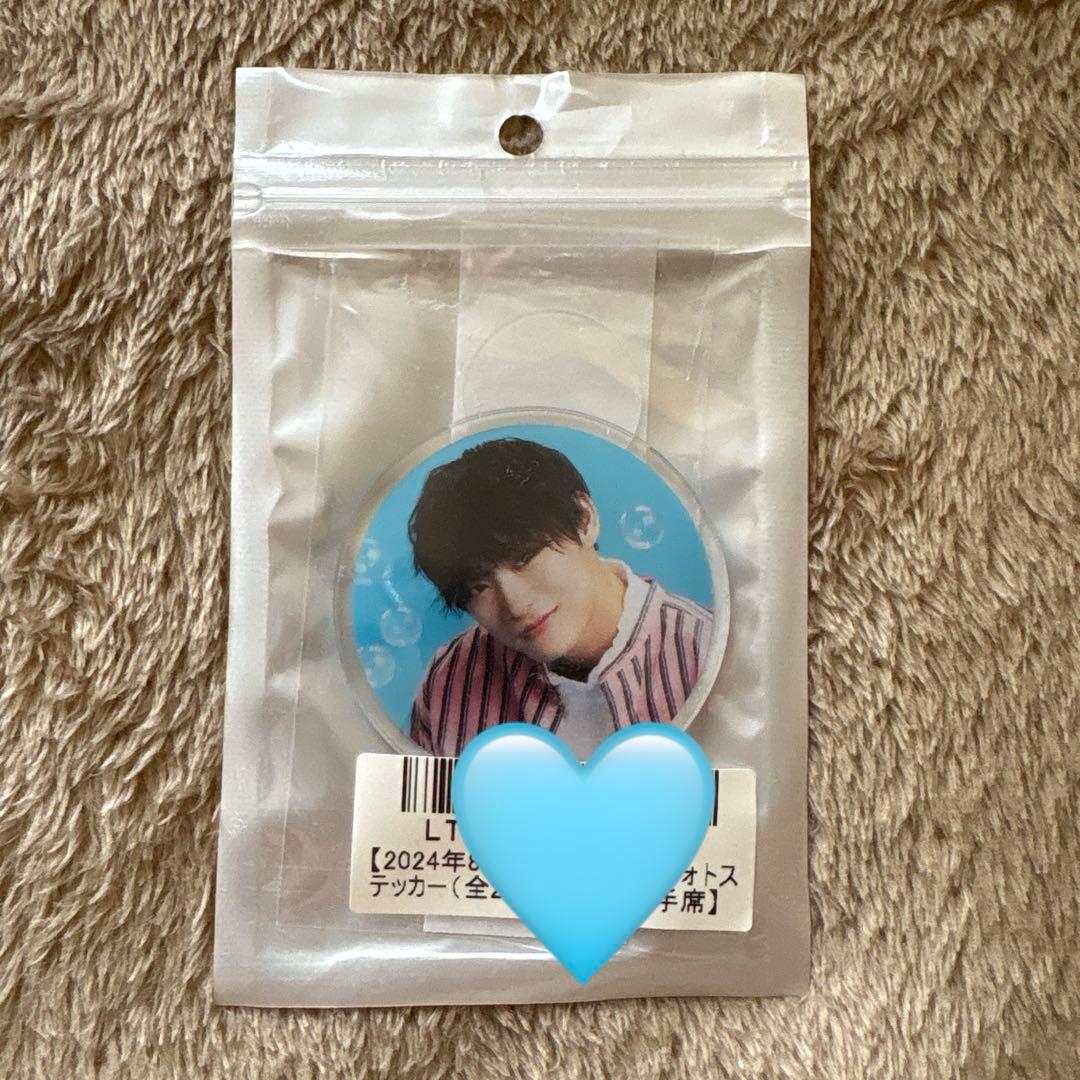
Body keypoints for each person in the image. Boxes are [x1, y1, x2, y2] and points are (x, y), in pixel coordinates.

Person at [408, 438, 712, 758]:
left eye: (525, 558)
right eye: (478, 586)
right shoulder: (449, 677)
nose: (515, 605)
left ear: (584, 519)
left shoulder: (709, 653)